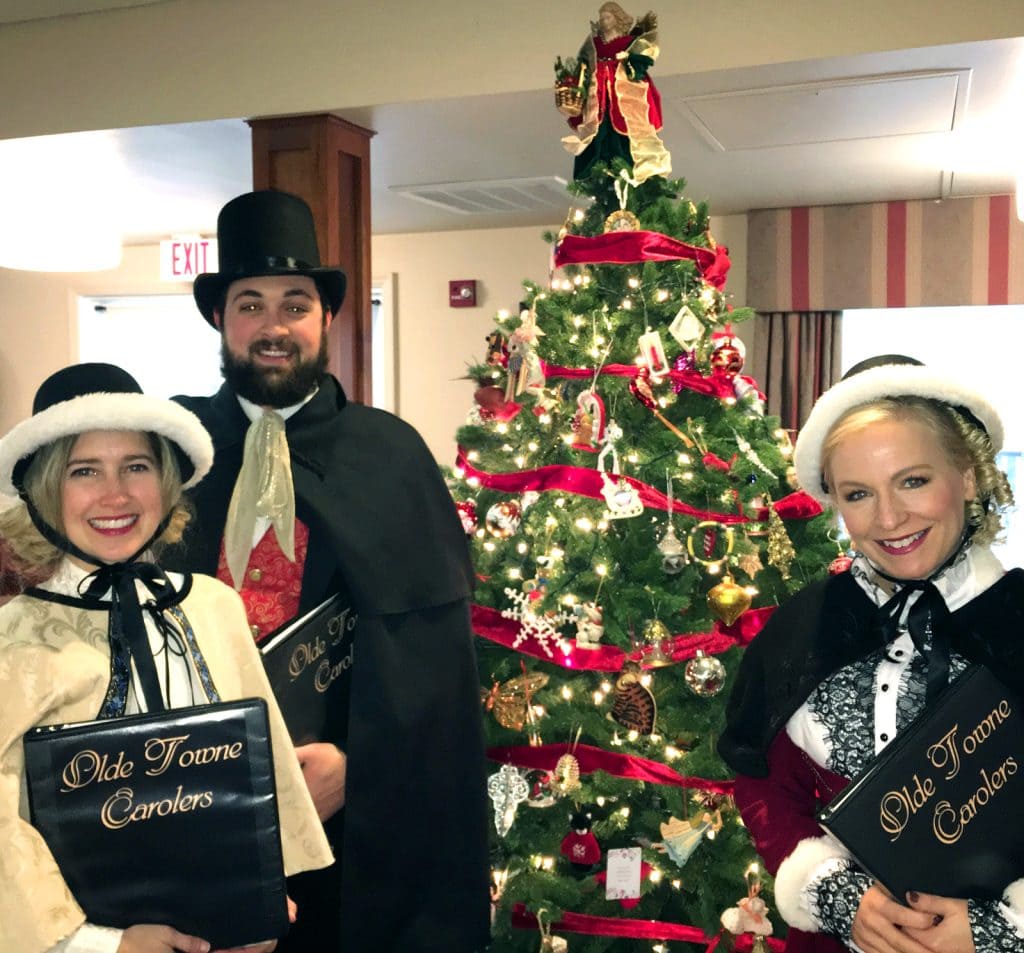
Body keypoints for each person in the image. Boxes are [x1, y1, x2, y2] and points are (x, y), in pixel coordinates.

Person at [162, 189, 490, 953]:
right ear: (220, 318)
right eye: (250, 304)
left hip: (352, 825)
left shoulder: (390, 455)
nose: (273, 326)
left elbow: (436, 669)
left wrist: (358, 764)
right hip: (191, 809)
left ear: (328, 317)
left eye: (295, 304)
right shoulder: (172, 454)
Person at [0, 362, 333, 953]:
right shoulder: (12, 638)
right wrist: (102, 944)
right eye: (84, 471)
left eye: (137, 466)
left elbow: (258, 766)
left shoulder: (213, 606)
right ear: (44, 491)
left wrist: (259, 897)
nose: (116, 494)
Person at [718, 355, 1024, 953]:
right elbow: (762, 786)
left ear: (967, 477)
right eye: (858, 493)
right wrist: (833, 893)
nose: (889, 518)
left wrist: (999, 931)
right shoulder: (803, 626)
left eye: (913, 481)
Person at [560, 2, 672, 183]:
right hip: (598, 93)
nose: (603, 21)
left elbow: (642, 59)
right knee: (598, 127)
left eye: (607, 17)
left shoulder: (629, 42)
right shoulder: (594, 44)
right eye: (601, 18)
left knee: (626, 125)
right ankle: (597, 164)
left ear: (617, 18)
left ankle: (628, 163)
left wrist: (627, 59)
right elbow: (583, 65)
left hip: (623, 89)